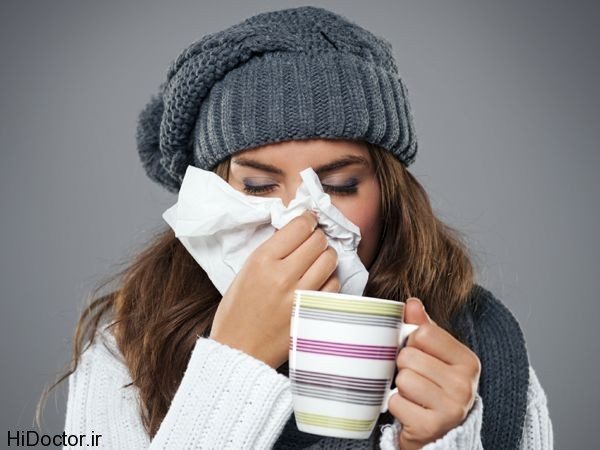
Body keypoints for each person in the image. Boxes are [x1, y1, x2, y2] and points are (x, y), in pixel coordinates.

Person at [36, 6, 553, 449]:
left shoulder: (480, 349)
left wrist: (440, 441)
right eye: (259, 186)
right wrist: (235, 362)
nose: (300, 219)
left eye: (340, 185)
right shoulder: (129, 348)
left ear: (389, 195)